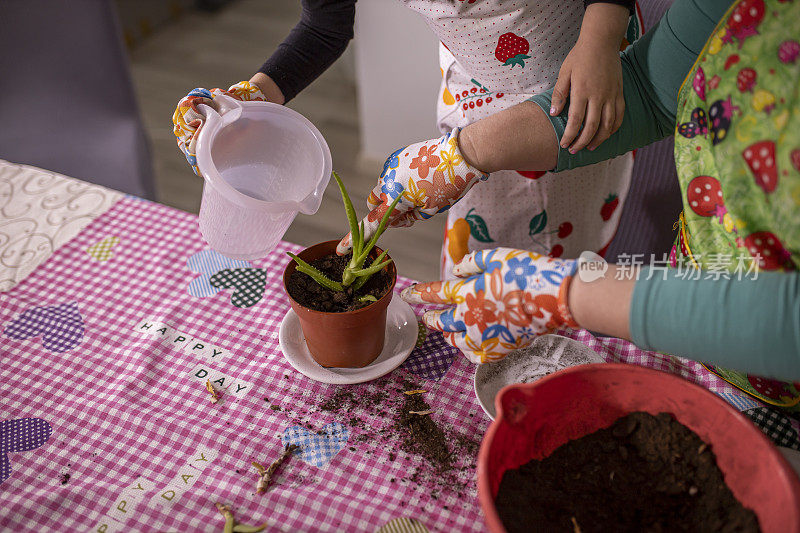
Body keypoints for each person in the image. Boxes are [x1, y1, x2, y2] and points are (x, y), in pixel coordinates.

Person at [387, 0, 800, 400]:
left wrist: (563, 292)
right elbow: (650, 91)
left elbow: (786, 321)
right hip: (700, 336)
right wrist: (462, 155)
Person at [173, 0, 646, 280]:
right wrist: (251, 98)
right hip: (475, 82)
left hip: (578, 76)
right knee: (478, 253)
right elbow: (323, 27)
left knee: (548, 262)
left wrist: (600, 40)